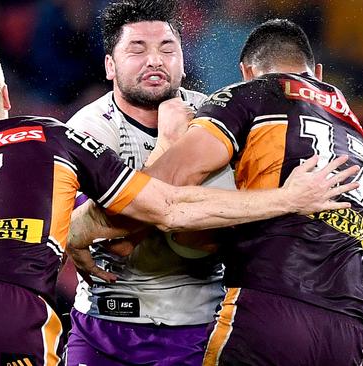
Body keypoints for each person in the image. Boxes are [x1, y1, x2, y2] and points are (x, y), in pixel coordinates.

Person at [0, 40, 358, 365]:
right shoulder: (55, 135)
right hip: (6, 306)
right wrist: (287, 197)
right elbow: (170, 206)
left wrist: (71, 234)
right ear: (4, 96)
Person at [73, 19, 363, 365]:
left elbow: (161, 190)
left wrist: (81, 229)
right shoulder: (354, 128)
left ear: (247, 71)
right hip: (348, 323)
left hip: (270, 307)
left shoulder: (252, 95)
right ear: (317, 73)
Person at [63, 1, 235, 365]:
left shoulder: (215, 115)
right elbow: (109, 239)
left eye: (167, 48)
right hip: (103, 322)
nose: (155, 60)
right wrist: (169, 144)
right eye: (137, 49)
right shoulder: (86, 128)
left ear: (183, 62)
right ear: (110, 65)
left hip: (196, 325)